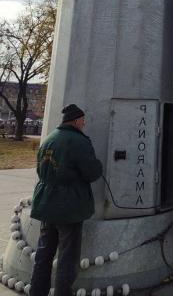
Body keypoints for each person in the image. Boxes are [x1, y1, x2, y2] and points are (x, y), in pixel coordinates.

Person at [30, 104, 103, 296]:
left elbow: (40, 170)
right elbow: (91, 172)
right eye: (83, 120)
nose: (84, 123)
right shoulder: (78, 141)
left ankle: (37, 291)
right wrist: (98, 166)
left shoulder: (49, 139)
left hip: (47, 204)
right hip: (68, 207)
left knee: (44, 254)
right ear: (76, 120)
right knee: (67, 259)